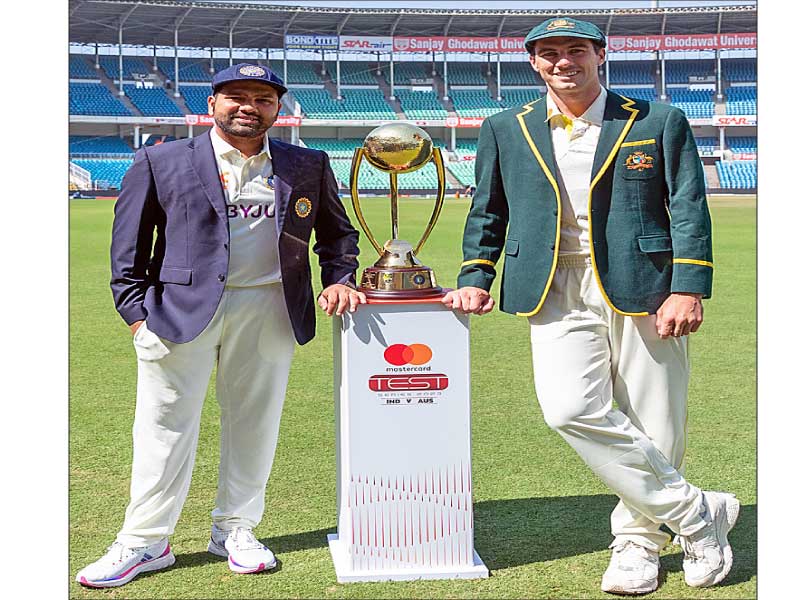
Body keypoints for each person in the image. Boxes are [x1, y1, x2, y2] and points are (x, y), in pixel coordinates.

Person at [442, 18, 738, 596]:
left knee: (655, 418)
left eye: (576, 49)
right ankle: (697, 513)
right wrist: (477, 274)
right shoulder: (505, 127)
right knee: (568, 408)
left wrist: (687, 286)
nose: (564, 61)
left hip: (646, 284)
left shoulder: (656, 119)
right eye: (549, 53)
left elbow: (687, 204)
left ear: (600, 54)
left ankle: (637, 542)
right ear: (533, 62)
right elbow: (488, 209)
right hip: (552, 284)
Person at [76, 63, 366, 588]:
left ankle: (235, 529)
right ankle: (145, 540)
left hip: (269, 309)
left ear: (278, 109)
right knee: (163, 428)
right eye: (236, 96)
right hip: (177, 312)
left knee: (255, 423)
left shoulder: (306, 163)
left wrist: (339, 278)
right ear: (212, 103)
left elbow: (337, 235)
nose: (249, 106)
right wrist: (137, 316)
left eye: (263, 98)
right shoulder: (161, 160)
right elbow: (128, 250)